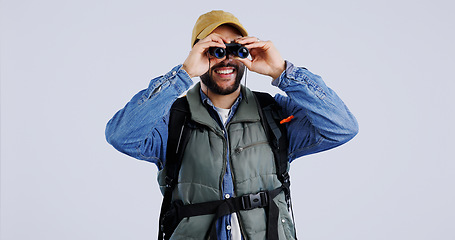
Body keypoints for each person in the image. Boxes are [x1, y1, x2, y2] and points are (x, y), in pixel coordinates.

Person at [105, 10, 358, 240]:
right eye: (214, 48)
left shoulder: (274, 114)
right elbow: (121, 135)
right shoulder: (173, 120)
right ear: (198, 52)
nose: (225, 59)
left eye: (235, 48)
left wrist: (281, 71)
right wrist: (182, 74)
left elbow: (342, 126)